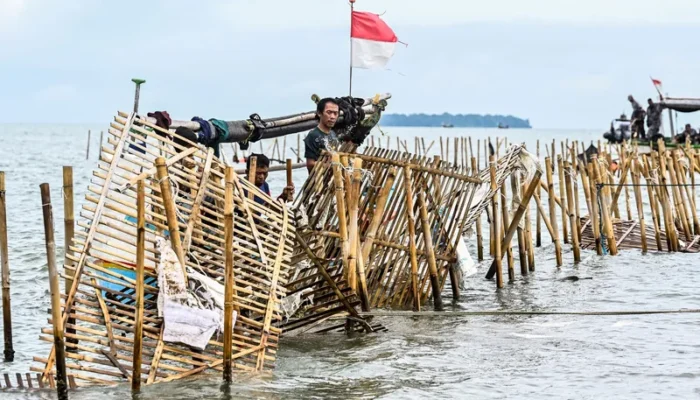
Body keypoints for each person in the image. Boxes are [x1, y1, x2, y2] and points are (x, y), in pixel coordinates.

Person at [304, 98, 341, 173]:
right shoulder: (313, 135)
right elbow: (310, 164)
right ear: (319, 113)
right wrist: (328, 165)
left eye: (335, 113)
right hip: (318, 181)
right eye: (329, 112)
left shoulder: (333, 134)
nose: (332, 117)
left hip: (333, 180)